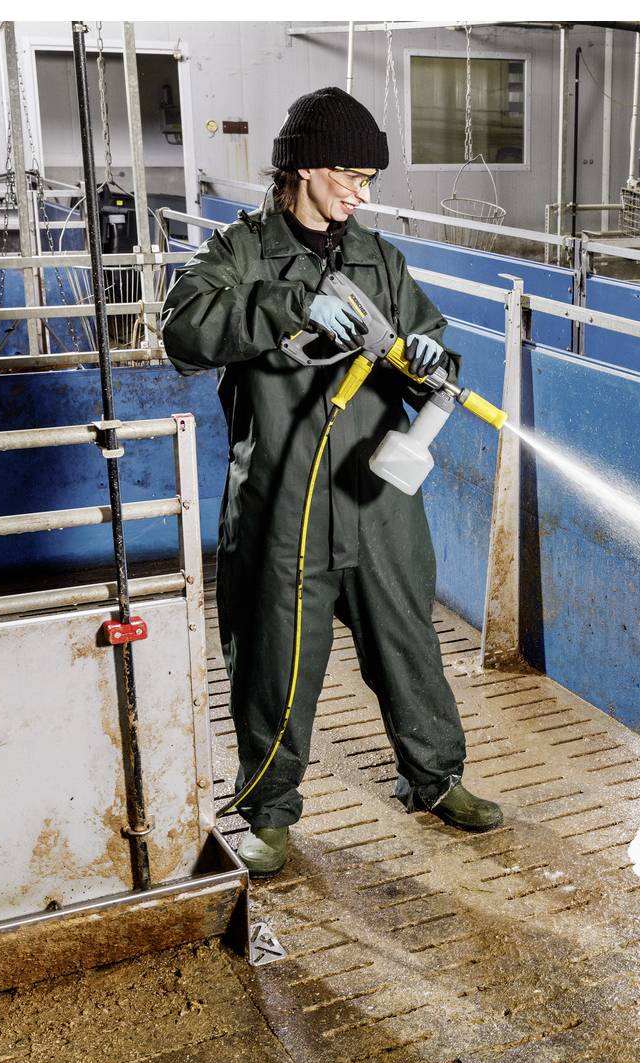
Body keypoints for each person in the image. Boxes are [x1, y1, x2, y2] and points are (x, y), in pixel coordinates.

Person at [160, 87, 502, 878]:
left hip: (376, 498)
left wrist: (428, 361)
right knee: (274, 661)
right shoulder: (238, 254)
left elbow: (433, 340)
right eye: (352, 173)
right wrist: (289, 305)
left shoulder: (378, 259)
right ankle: (269, 812)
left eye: (370, 177)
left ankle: (435, 778)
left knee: (409, 645)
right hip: (284, 501)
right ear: (306, 168)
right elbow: (185, 328)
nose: (363, 191)